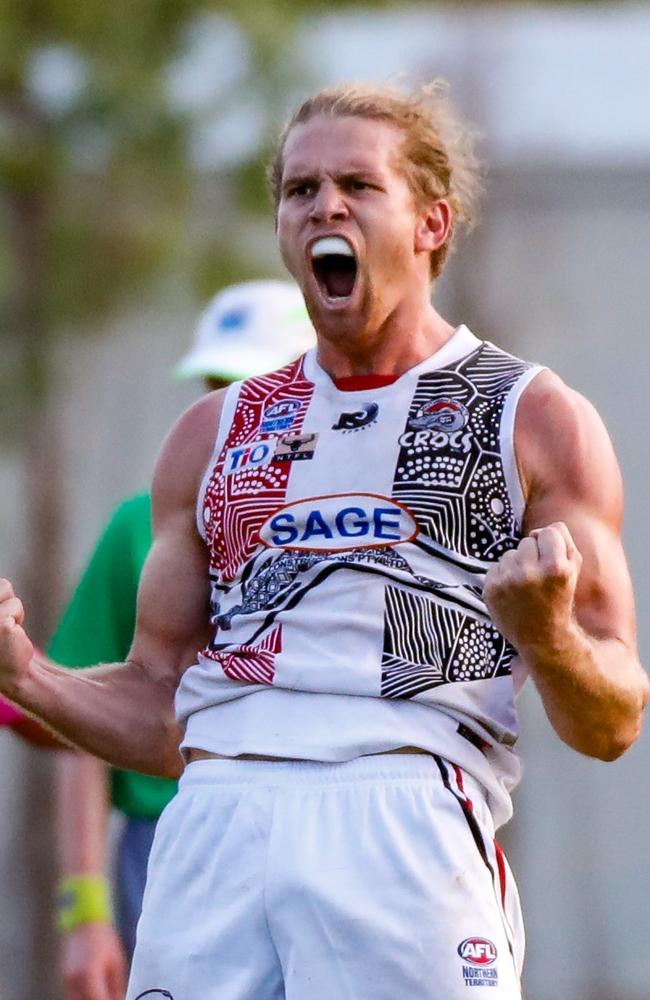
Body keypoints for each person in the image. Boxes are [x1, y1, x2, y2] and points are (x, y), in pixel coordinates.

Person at [0, 81, 648, 1000]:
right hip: (217, 822)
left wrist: (546, 635)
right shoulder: (215, 434)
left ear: (432, 223)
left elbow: (616, 720)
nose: (323, 206)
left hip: (406, 818)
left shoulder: (531, 418)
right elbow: (160, 710)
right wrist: (27, 675)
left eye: (356, 184)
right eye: (300, 191)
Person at [49, 280, 315, 1000]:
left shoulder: (357, 522)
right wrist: (86, 909)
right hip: (166, 845)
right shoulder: (141, 527)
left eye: (254, 381)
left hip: (325, 835)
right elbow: (81, 728)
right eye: (217, 383)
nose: (233, 404)